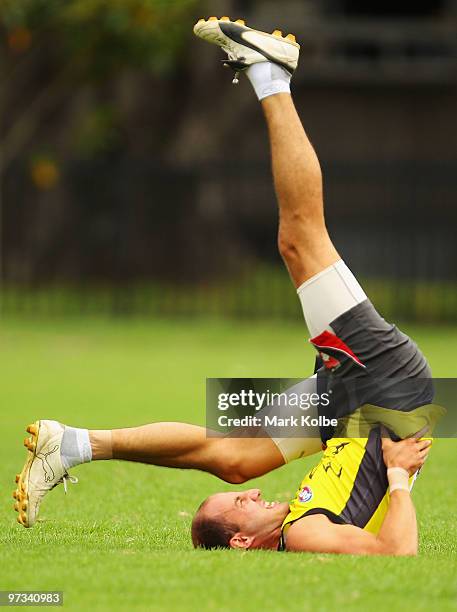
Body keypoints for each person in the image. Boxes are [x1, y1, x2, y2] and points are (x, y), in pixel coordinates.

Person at [13, 18, 434, 555]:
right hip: (385, 389)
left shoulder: (295, 533)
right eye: (242, 512)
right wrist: (398, 480)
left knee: (233, 456)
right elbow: (397, 554)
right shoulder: (302, 534)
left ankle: (72, 444)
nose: (258, 495)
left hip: (357, 404)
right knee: (298, 240)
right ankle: (270, 75)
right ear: (241, 539)